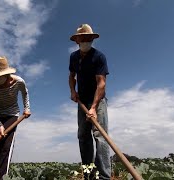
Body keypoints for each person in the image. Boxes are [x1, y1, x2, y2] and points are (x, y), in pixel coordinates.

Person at [68, 24, 111, 179]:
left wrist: (93, 107)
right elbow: (71, 77)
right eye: (83, 38)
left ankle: (104, 177)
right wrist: (73, 91)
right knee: (83, 136)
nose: (86, 41)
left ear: (92, 39)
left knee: (101, 136)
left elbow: (101, 83)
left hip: (97, 101)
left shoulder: (99, 57)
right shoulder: (74, 57)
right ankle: (88, 175)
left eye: (88, 38)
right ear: (77, 41)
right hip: (82, 101)